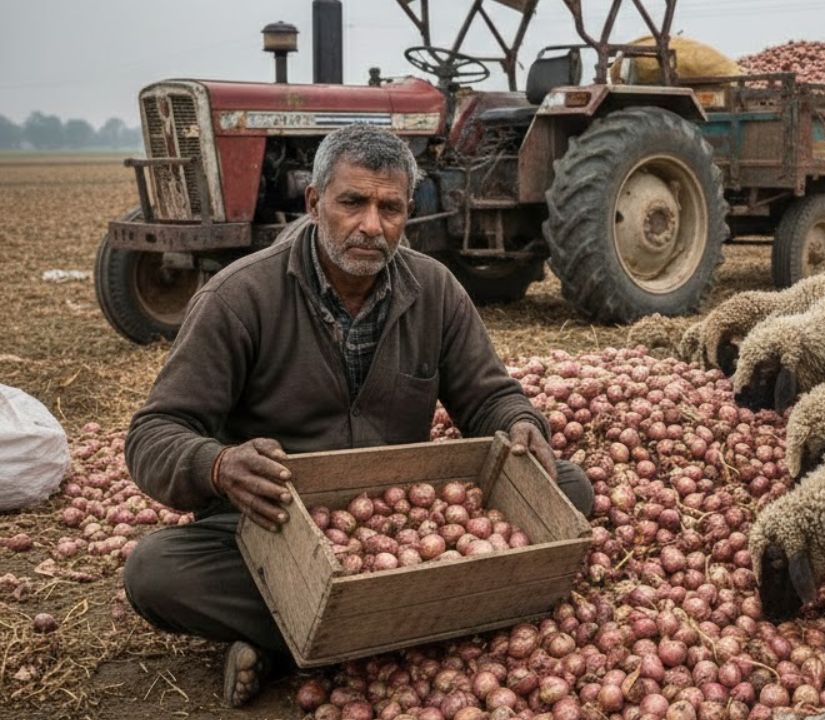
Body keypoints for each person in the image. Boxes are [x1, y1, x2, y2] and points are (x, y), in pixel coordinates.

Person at [121, 123, 592, 707]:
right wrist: (217, 466)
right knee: (155, 571)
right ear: (316, 202)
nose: (372, 225)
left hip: (402, 521)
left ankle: (302, 639)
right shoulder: (240, 297)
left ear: (407, 212)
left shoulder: (435, 289)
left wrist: (521, 422)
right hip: (276, 524)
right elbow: (153, 434)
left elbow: (488, 396)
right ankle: (419, 624)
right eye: (353, 202)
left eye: (390, 207)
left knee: (565, 488)